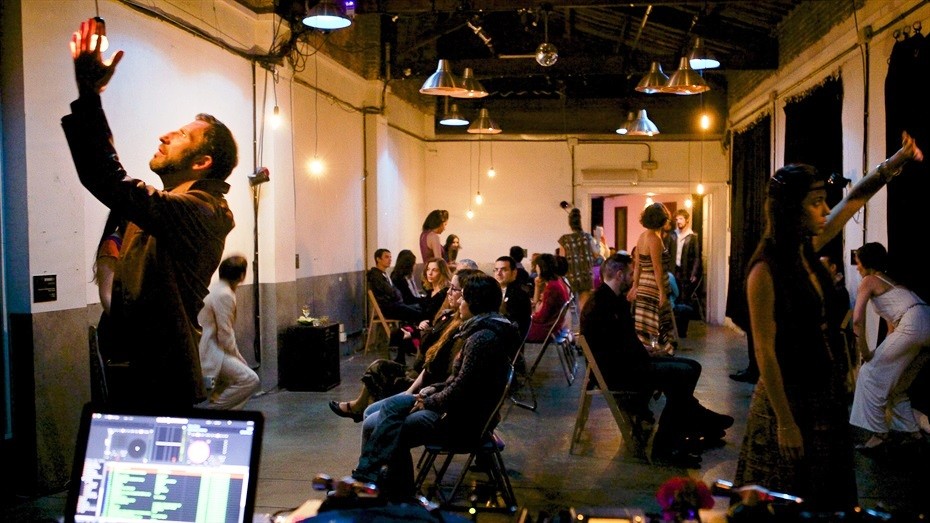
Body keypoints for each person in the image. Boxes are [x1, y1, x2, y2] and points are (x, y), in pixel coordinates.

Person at [735, 132, 923, 512]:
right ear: (791, 209)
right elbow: (765, 352)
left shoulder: (806, 249)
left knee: (825, 495)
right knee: (784, 496)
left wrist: (893, 163)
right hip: (787, 401)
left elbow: (853, 202)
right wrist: (785, 423)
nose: (825, 209)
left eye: (823, 200)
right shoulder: (764, 270)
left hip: (823, 393)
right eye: (815, 202)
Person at [63, 18, 237, 408]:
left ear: (202, 162)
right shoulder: (158, 211)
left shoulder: (203, 211)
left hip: (163, 381)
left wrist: (89, 94)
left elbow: (108, 179)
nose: (164, 135)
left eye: (181, 135)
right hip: (135, 371)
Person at [350, 272, 520, 500]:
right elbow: (459, 381)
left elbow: (461, 389)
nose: (459, 301)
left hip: (461, 422)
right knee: (388, 411)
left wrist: (428, 401)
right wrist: (431, 391)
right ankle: (376, 484)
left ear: (475, 302)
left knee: (386, 427)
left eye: (463, 297)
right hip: (458, 410)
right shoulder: (483, 331)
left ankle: (393, 494)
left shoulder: (482, 338)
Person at [581, 254, 733, 467]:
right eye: (631, 274)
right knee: (685, 373)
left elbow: (621, 342)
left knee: (692, 367)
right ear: (619, 274)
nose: (633, 278)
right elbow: (614, 351)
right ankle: (668, 444)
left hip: (626, 365)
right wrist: (646, 354)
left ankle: (696, 423)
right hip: (621, 373)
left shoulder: (609, 300)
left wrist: (646, 351)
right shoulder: (603, 305)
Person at [327, 270, 480, 424]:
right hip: (422, 373)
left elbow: (435, 365)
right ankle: (364, 409)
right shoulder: (447, 315)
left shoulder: (460, 328)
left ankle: (365, 411)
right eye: (428, 269)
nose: (449, 292)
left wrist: (420, 333)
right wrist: (420, 331)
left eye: (454, 289)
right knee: (380, 366)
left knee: (379, 381)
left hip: (426, 383)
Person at [849, 242, 930, 451]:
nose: (857, 268)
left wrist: (865, 353)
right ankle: (912, 432)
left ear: (866, 263)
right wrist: (876, 354)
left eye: (858, 263)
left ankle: (880, 434)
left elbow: (857, 320)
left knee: (868, 373)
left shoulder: (869, 280)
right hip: (925, 322)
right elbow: (891, 329)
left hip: (912, 323)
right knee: (897, 386)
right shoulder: (893, 284)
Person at [198, 256, 261, 410]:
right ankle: (212, 412)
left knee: (232, 385)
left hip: (210, 349)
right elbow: (225, 334)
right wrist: (239, 358)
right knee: (250, 379)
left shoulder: (215, 288)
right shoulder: (225, 294)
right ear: (242, 275)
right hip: (212, 351)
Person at [627, 203, 677, 354]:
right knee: (659, 323)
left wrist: (635, 286)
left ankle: (649, 352)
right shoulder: (655, 239)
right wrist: (662, 291)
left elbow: (637, 265)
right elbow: (657, 267)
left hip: (644, 284)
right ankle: (660, 353)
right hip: (653, 286)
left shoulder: (642, 237)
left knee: (646, 324)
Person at [367, 249, 421, 322]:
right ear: (378, 259)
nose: (390, 259)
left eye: (390, 257)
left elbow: (394, 291)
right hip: (389, 308)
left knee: (420, 308)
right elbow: (390, 291)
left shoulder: (384, 274)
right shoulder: (375, 276)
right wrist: (396, 294)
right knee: (418, 313)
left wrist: (396, 293)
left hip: (396, 305)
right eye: (386, 257)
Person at [558, 208, 600, 300]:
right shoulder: (587, 237)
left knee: (572, 302)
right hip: (586, 276)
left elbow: (562, 261)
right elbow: (596, 254)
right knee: (585, 303)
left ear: (570, 223)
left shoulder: (564, 240)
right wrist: (598, 239)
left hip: (571, 276)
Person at [528, 253, 570, 342]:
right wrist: (537, 287)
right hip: (554, 326)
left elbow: (541, 317)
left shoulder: (552, 288)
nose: (535, 269)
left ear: (541, 268)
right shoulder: (558, 282)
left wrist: (529, 317)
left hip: (546, 330)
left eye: (536, 266)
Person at [494, 255, 532, 341]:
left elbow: (516, 325)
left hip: (508, 340)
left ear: (514, 272)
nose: (498, 273)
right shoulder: (493, 290)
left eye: (504, 270)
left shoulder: (519, 294)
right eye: (496, 270)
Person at [674, 209, 702, 304]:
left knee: (685, 296)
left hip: (686, 270)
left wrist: (694, 272)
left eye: (681, 219)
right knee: (674, 296)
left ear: (687, 220)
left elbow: (697, 256)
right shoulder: (673, 235)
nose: (678, 221)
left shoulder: (693, 236)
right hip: (674, 270)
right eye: (677, 219)